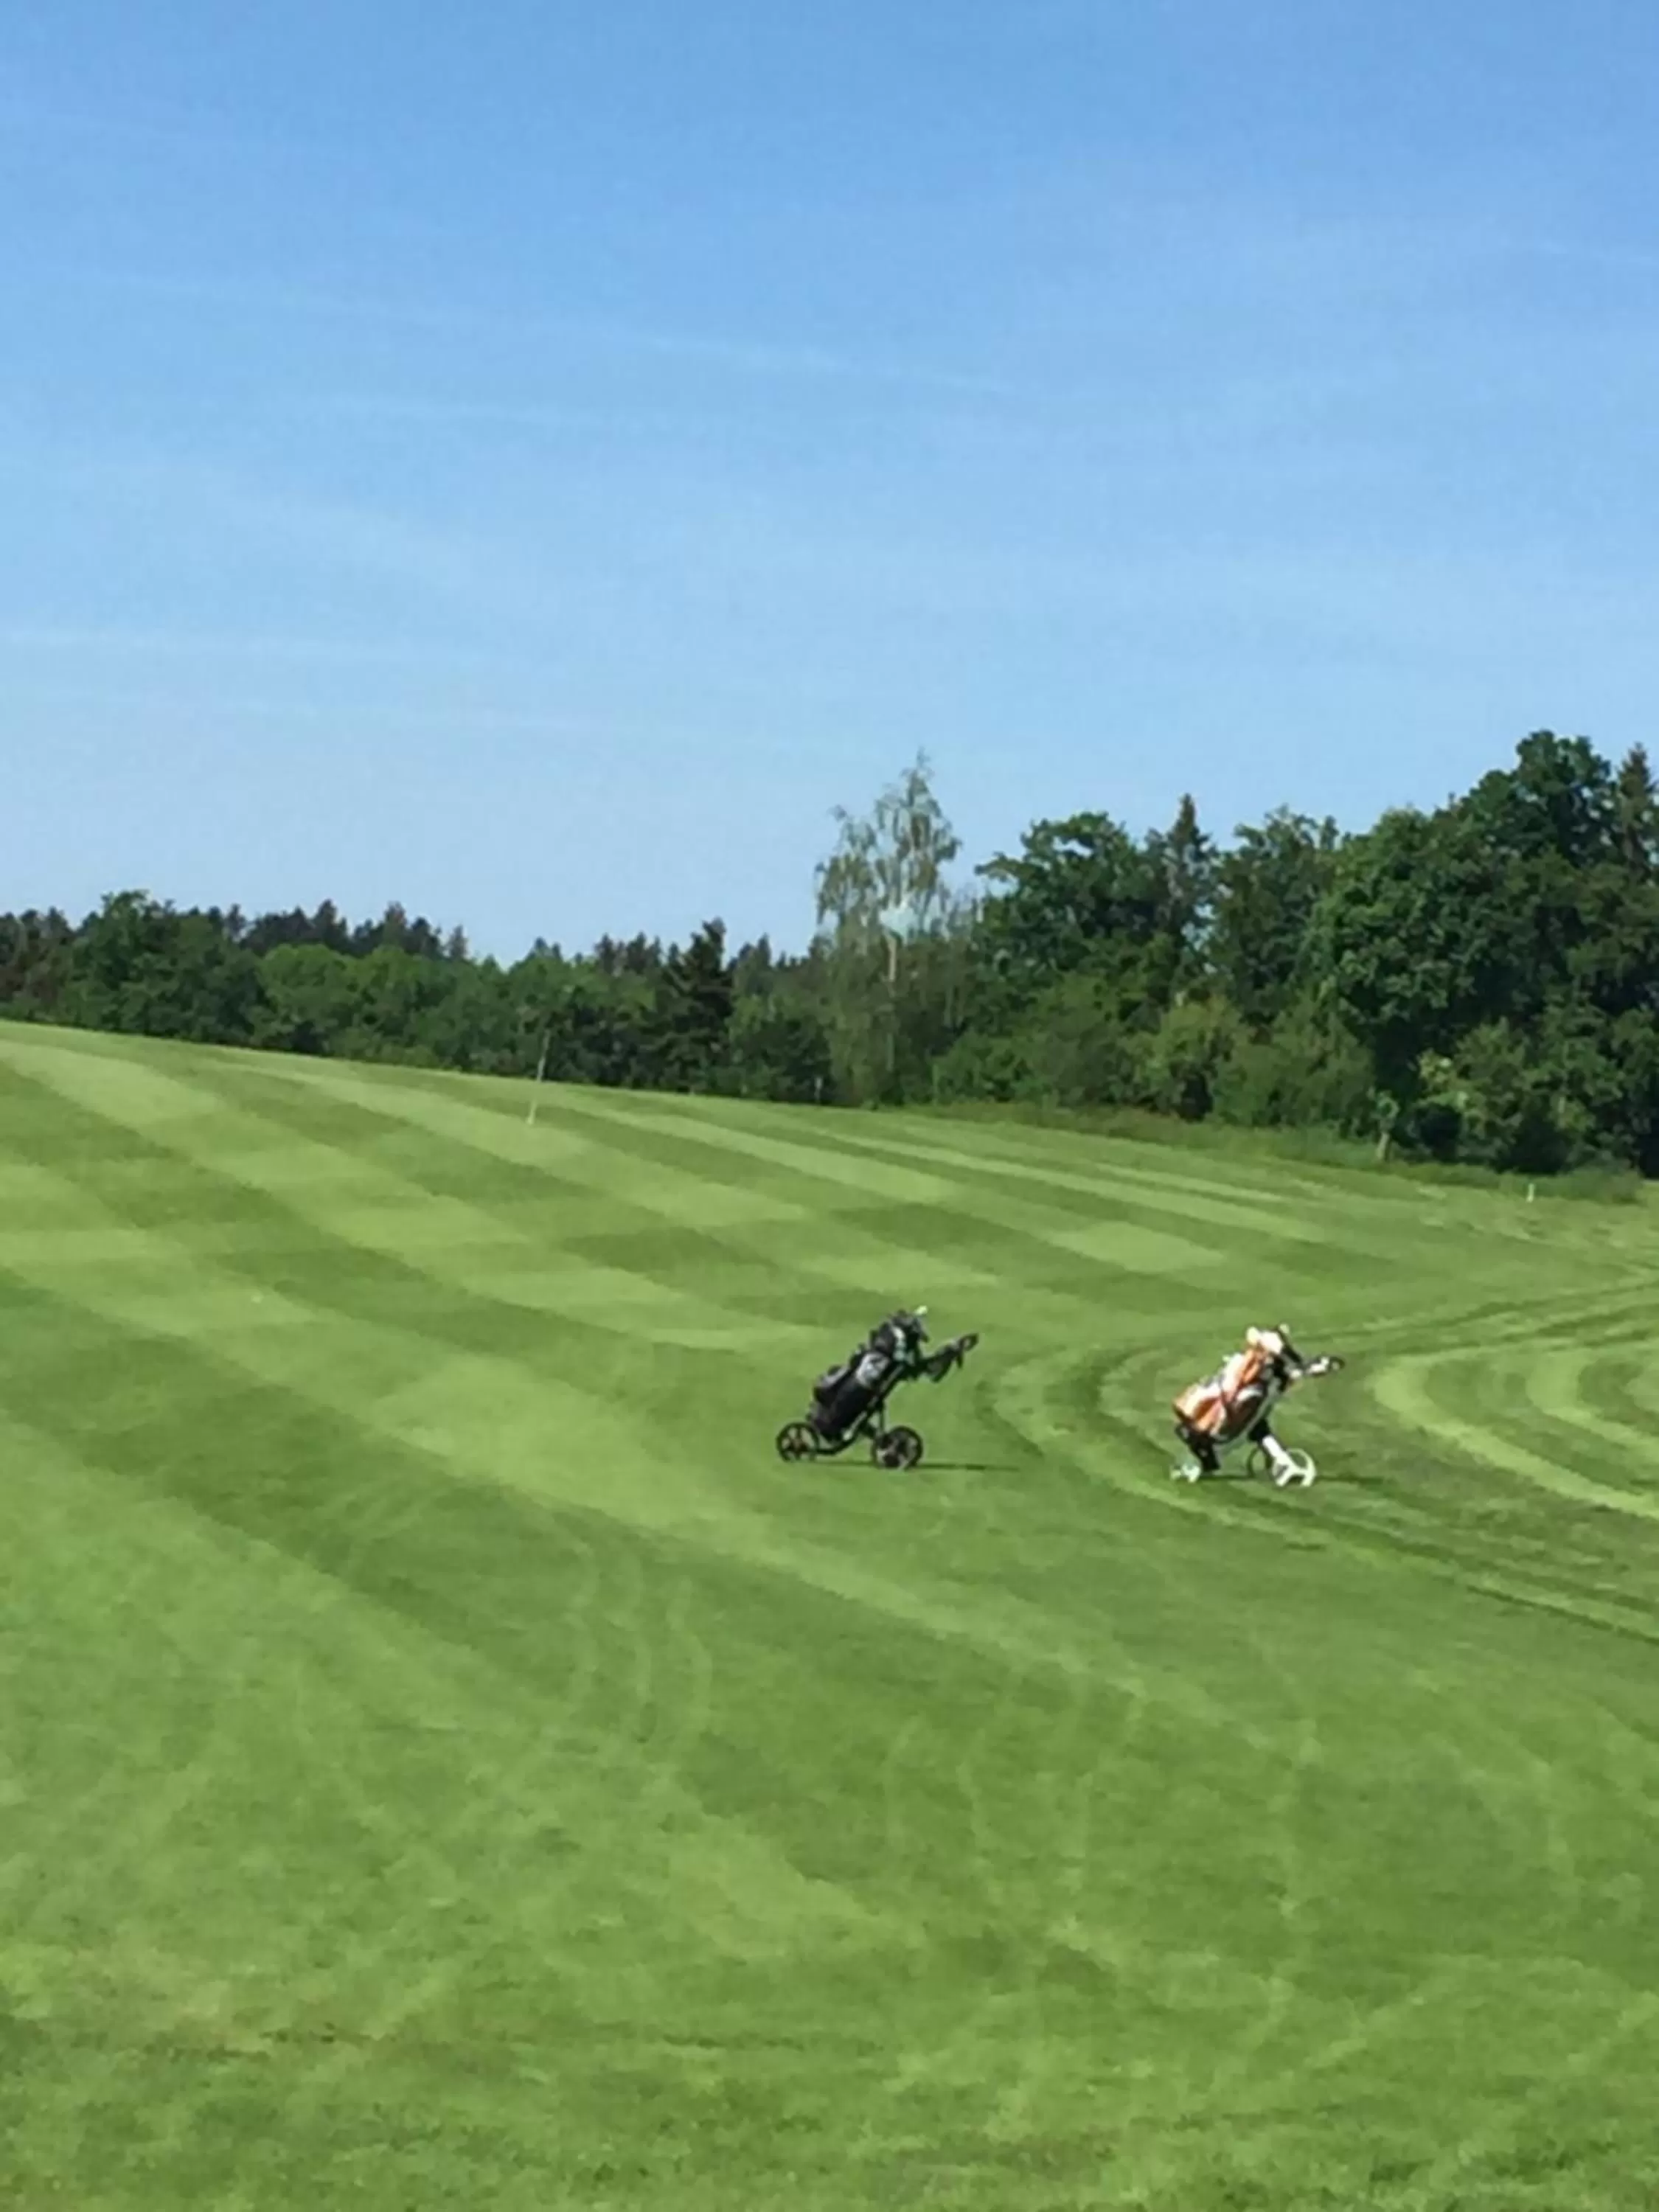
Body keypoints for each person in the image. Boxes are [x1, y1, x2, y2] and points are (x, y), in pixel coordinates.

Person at [1171, 1325, 1341, 1484]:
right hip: (1230, 1410)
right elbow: (1270, 1342)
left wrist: (1317, 1365)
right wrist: (1305, 1363)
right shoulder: (1260, 1355)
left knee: (1257, 1428)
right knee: (1252, 1427)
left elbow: (1295, 1368)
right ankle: (1282, 1463)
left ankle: (1282, 1462)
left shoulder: (1268, 1367)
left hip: (1235, 1411)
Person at [808, 1309, 931, 1439]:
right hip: (863, 1384)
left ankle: (832, 1424)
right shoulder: (897, 1341)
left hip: (862, 1382)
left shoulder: (890, 1336)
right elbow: (904, 1359)